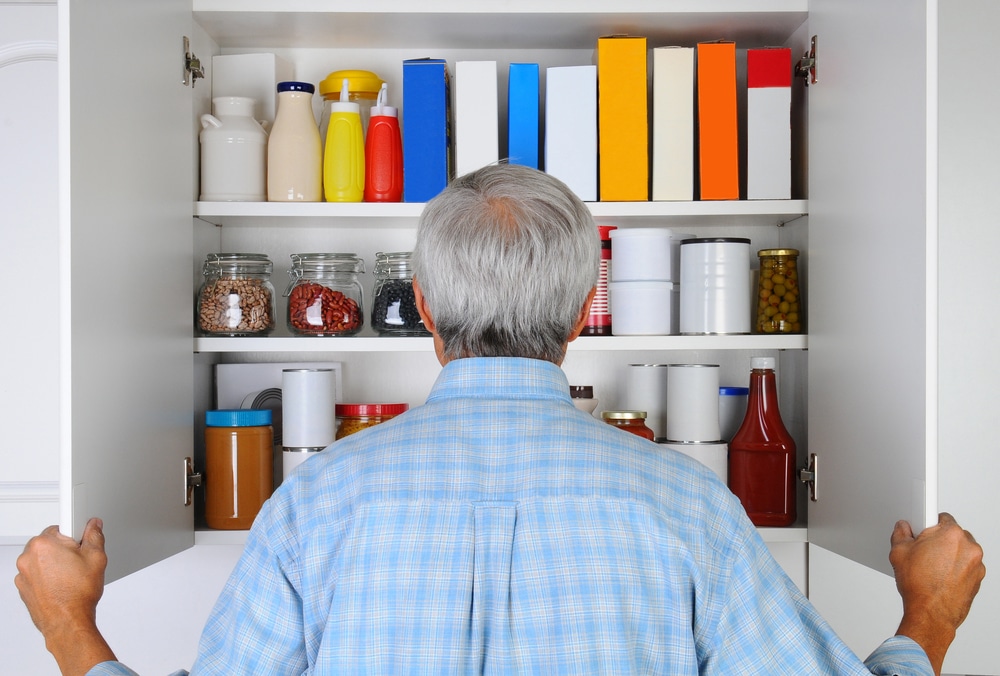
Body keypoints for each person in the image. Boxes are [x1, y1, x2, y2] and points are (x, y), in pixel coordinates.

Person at [16, 163, 985, 676]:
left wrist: (68, 624)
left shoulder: (318, 498)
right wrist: (928, 616)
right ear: (579, 312)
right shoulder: (688, 506)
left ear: (426, 309)